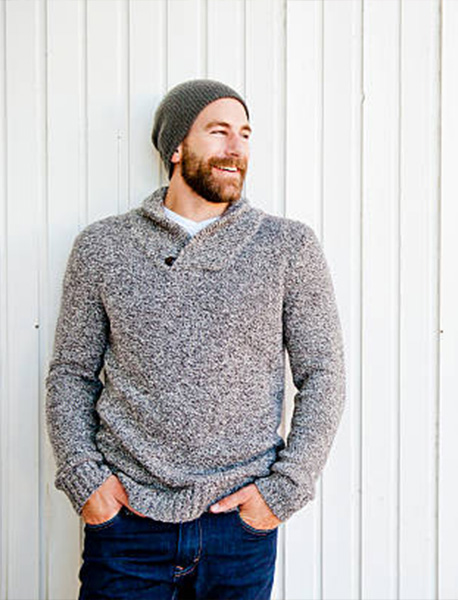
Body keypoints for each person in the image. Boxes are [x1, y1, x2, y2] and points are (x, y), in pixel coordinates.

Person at [45, 79, 346, 600]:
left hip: (239, 528)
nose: (237, 148)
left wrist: (283, 491)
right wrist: (86, 482)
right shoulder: (102, 247)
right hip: (126, 526)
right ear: (176, 148)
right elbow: (71, 375)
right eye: (219, 131)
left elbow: (324, 374)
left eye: (245, 134)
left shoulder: (287, 246)